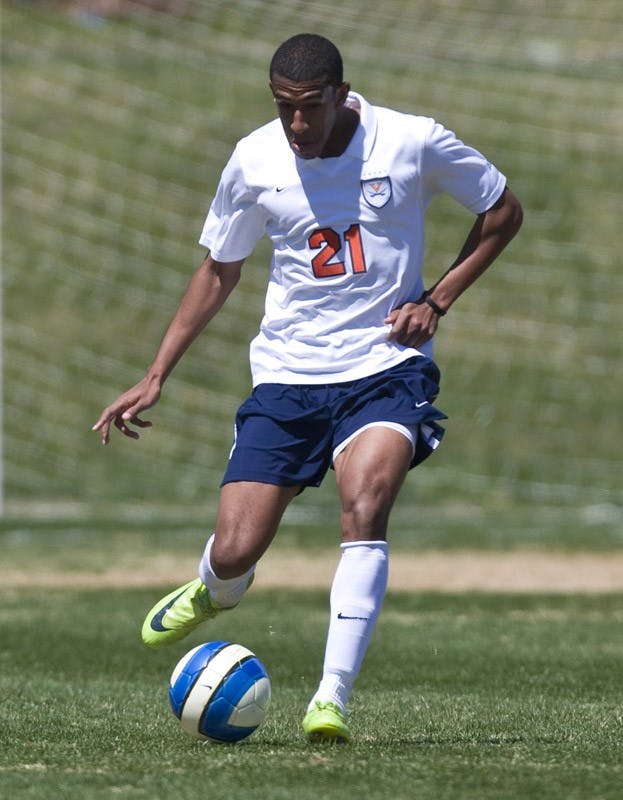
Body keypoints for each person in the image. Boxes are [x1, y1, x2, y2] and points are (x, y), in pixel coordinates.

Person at [93, 33, 523, 742]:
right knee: (235, 547)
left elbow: (501, 212)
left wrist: (436, 300)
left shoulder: (410, 142)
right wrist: (154, 373)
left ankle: (330, 698)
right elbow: (218, 269)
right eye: (283, 108)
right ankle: (217, 586)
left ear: (339, 94)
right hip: (289, 376)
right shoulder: (253, 159)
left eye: (308, 108)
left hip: (384, 367)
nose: (296, 125)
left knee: (365, 504)